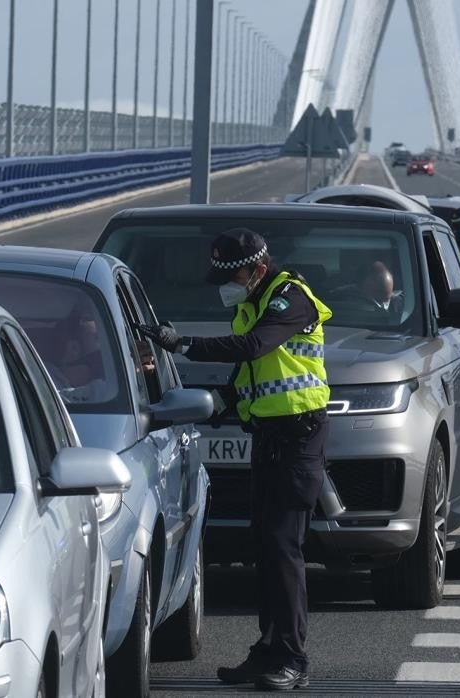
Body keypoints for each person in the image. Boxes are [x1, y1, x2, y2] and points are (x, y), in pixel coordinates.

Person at [138, 228, 332, 692]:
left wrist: (182, 343)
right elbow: (249, 375)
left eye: (236, 274)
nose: (229, 284)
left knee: (285, 549)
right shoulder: (254, 302)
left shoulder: (289, 298)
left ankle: (293, 657)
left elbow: (252, 348)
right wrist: (204, 402)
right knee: (265, 546)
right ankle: (268, 651)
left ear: (258, 270)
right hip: (270, 438)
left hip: (298, 437)